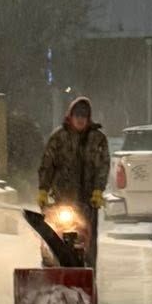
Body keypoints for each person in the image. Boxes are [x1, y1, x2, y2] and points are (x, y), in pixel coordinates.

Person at [38, 96, 111, 268]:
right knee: (53, 235)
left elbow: (103, 166)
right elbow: (47, 165)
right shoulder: (58, 138)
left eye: (83, 116)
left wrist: (98, 190)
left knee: (87, 240)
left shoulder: (97, 139)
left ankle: (88, 273)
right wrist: (43, 189)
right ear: (70, 116)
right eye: (77, 115)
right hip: (62, 199)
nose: (80, 119)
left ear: (88, 118)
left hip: (87, 202)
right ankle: (49, 267)